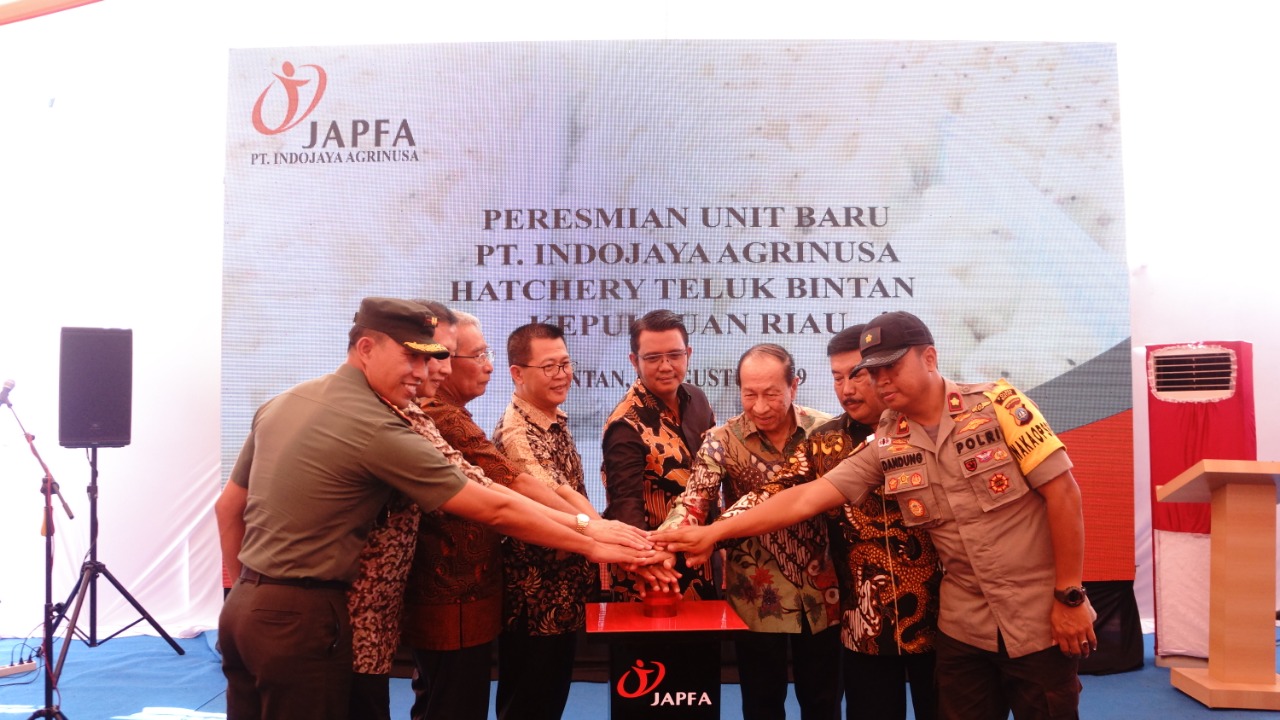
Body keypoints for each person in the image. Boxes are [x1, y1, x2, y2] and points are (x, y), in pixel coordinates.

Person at [214, 297, 649, 720]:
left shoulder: (286, 401)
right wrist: (590, 542)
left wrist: (251, 596)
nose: (423, 373)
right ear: (366, 348)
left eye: (431, 359)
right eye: (412, 358)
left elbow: (227, 509)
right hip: (306, 622)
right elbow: (491, 505)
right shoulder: (379, 424)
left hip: (244, 613)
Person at [655, 311, 1096, 720]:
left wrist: (1070, 595)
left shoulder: (999, 405)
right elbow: (802, 496)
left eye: (888, 369)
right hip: (946, 628)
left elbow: (1063, 494)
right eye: (872, 371)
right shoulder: (884, 442)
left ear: (929, 357)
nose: (877, 382)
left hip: (1023, 617)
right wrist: (713, 532)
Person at [401, 310, 642, 720]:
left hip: (489, 599)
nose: (486, 365)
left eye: (565, 364)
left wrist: (599, 532)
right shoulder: (453, 419)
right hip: (493, 600)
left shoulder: (462, 416)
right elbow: (517, 491)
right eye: (471, 356)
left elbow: (534, 489)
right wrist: (595, 534)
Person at [656, 343, 842, 720]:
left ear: (794, 386)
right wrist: (670, 538)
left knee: (823, 702)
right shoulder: (721, 440)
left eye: (772, 394)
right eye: (749, 394)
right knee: (761, 704)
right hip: (756, 596)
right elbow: (694, 501)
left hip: (825, 594)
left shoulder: (826, 433)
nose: (759, 407)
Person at [808, 326, 941, 720]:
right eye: (836, 377)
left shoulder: (924, 428)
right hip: (863, 626)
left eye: (857, 374)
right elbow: (778, 494)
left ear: (882, 375)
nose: (846, 389)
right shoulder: (823, 443)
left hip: (942, 621)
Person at [490, 322, 597, 720]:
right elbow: (553, 495)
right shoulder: (518, 434)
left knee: (548, 699)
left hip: (562, 590)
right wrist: (603, 532)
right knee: (530, 704)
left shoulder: (551, 417)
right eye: (549, 366)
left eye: (565, 363)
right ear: (517, 373)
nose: (562, 374)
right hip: (534, 600)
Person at [602, 309, 719, 601]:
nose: (666, 366)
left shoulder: (697, 399)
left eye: (675, 355)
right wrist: (650, 563)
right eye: (653, 358)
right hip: (653, 573)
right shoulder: (625, 424)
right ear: (634, 361)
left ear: (688, 354)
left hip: (702, 558)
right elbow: (625, 507)